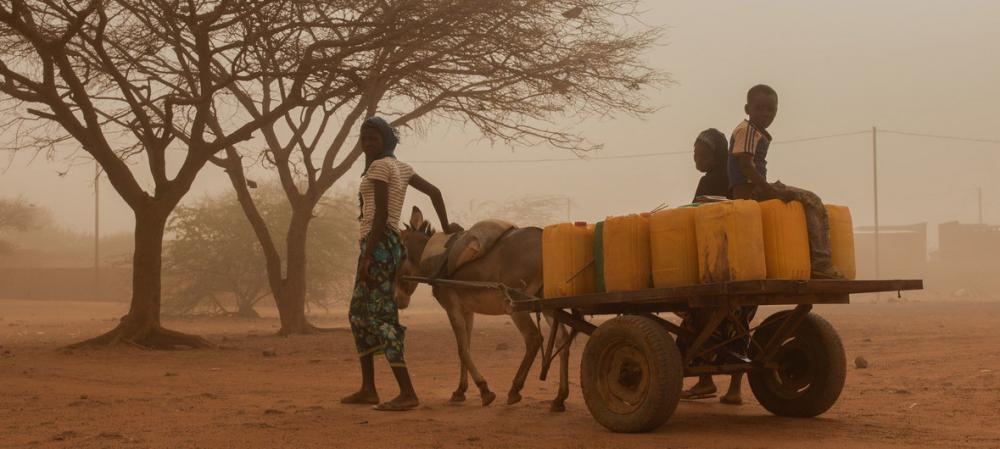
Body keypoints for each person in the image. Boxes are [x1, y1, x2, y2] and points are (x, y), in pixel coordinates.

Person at [340, 116, 457, 412]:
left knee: (381, 316)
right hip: (385, 245)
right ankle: (368, 389)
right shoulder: (402, 168)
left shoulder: (380, 167)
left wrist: (368, 255)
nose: (367, 144)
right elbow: (436, 193)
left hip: (378, 246)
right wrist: (445, 225)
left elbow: (379, 215)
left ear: (386, 141)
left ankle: (407, 393)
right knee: (358, 314)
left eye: (373, 139)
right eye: (364, 139)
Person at [728, 84, 842, 279]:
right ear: (747, 110)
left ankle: (812, 261)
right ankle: (821, 264)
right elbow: (746, 166)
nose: (766, 113)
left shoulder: (754, 131)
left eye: (771, 109)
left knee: (803, 202)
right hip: (751, 191)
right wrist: (772, 191)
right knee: (812, 200)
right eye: (759, 108)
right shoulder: (747, 130)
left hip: (754, 189)